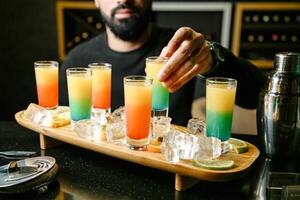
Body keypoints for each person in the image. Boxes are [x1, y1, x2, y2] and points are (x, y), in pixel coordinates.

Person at [60, 0, 266, 126]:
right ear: (96, 0)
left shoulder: (184, 50)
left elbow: (258, 93)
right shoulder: (77, 61)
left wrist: (213, 59)